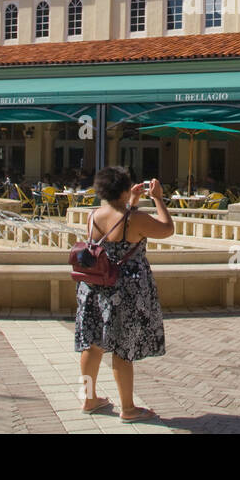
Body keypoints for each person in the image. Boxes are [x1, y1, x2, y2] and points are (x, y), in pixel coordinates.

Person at [75, 167, 174, 422]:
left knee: (92, 344)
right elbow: (167, 228)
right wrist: (158, 199)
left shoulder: (93, 215)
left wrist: (130, 202)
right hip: (124, 289)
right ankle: (128, 408)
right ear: (123, 188)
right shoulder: (135, 219)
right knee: (122, 348)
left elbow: (112, 229)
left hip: (94, 288)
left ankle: (88, 398)